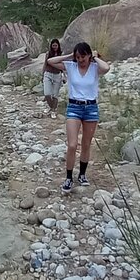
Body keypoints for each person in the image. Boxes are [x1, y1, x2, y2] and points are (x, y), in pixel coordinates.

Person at [46, 42, 110, 193]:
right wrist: (69, 55)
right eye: (78, 57)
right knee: (72, 145)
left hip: (91, 108)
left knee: (86, 144)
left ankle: (82, 174)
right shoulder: (70, 66)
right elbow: (50, 61)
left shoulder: (95, 68)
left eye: (83, 56)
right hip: (74, 107)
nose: (80, 60)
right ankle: (68, 177)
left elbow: (106, 68)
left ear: (89, 55)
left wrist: (95, 57)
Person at [43, 39, 65, 119]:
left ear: (58, 46)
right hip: (48, 74)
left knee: (55, 95)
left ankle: (53, 110)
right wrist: (43, 74)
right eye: (53, 45)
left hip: (57, 75)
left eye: (56, 45)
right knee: (47, 94)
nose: (55, 47)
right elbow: (45, 64)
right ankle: (51, 107)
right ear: (51, 46)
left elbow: (63, 66)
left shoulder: (61, 54)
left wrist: (64, 76)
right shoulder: (48, 53)